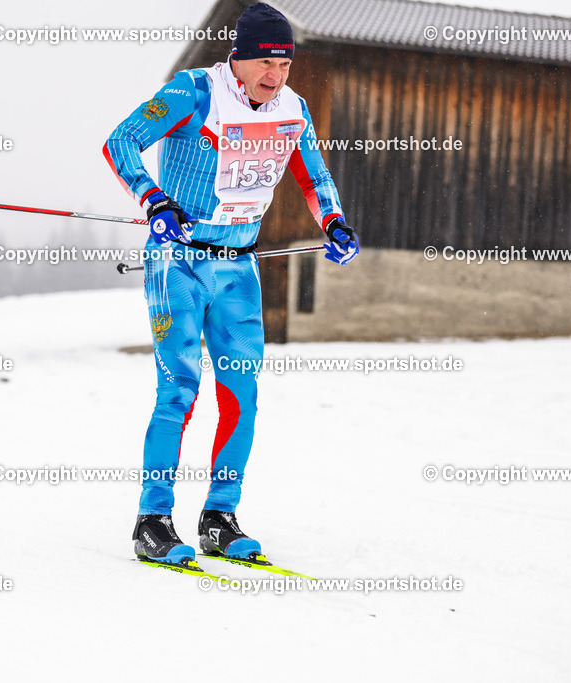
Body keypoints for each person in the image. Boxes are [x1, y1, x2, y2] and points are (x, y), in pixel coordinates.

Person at [103, 3, 359, 566]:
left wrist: (334, 222)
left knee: (241, 394)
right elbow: (120, 142)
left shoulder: (292, 109)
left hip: (239, 266)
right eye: (265, 62)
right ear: (238, 59)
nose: (275, 75)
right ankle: (153, 520)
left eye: (284, 65)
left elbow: (313, 174)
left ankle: (220, 517)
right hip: (179, 260)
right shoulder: (193, 92)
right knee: (179, 389)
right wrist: (154, 201)